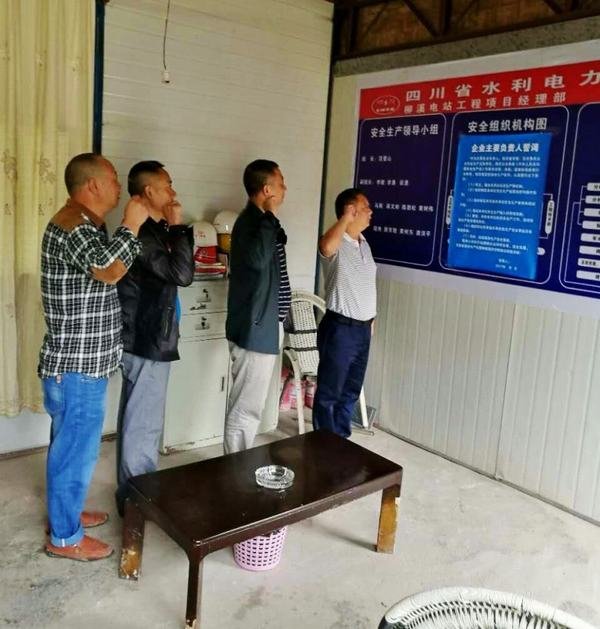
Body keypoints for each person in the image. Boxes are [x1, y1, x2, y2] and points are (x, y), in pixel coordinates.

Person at [39, 153, 148, 561]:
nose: (119, 187)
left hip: (78, 367)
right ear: (93, 185)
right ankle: (65, 538)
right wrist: (132, 225)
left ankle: (64, 516)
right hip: (76, 369)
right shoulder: (75, 226)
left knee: (68, 448)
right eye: (114, 179)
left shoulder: (84, 224)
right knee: (74, 454)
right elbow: (108, 269)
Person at [115, 161, 194, 515]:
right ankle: (137, 505)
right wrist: (178, 226)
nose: (173, 193)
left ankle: (130, 495)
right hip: (146, 340)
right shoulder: (143, 236)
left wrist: (173, 229)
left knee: (136, 419)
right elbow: (182, 274)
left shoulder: (153, 230)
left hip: (147, 337)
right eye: (167, 185)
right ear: (149, 191)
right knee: (143, 426)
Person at [224, 159, 290, 453]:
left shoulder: (262, 222)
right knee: (246, 407)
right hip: (255, 328)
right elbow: (258, 260)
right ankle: (234, 469)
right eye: (281, 183)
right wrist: (271, 216)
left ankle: (236, 464)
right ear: (267, 190)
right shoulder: (252, 223)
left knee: (252, 404)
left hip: (265, 324)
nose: (285, 189)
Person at [312, 188, 376, 438]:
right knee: (330, 391)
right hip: (340, 328)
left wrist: (372, 318)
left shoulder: (364, 244)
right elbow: (326, 246)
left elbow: (366, 285)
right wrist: (345, 219)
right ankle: (323, 445)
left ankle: (340, 440)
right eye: (365, 206)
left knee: (351, 389)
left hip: (362, 330)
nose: (370, 211)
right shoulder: (336, 243)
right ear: (351, 210)